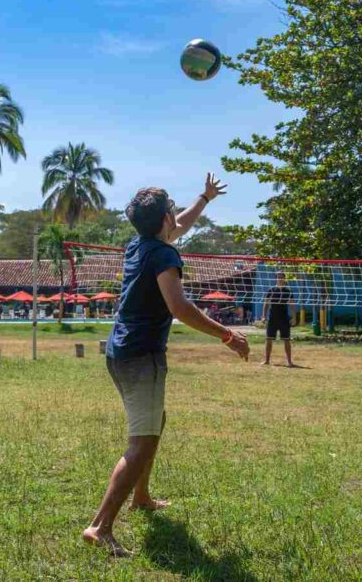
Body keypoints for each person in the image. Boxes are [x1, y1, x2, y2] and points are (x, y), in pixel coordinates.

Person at [83, 175, 250, 557]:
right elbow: (180, 307)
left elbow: (179, 226)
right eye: (172, 209)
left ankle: (141, 497)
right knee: (141, 442)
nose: (176, 214)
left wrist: (204, 198)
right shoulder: (163, 255)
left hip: (121, 351)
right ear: (164, 219)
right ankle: (99, 527)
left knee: (155, 422)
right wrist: (227, 335)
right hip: (141, 354)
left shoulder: (141, 245)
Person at [262, 272, 297, 367]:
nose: (280, 279)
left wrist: (294, 318)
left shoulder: (288, 291)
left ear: (284, 279)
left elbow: (292, 305)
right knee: (269, 339)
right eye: (278, 277)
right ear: (276, 279)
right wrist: (263, 316)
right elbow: (266, 304)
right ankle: (267, 360)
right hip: (272, 318)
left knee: (286, 340)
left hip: (284, 318)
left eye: (282, 277)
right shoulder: (271, 290)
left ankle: (289, 362)